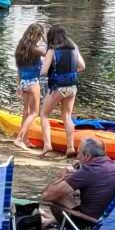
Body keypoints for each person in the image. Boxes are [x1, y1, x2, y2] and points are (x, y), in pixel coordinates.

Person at [41, 138, 115, 226]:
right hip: (114, 223)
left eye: (79, 153)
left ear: (87, 156)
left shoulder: (88, 170)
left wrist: (64, 177)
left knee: (56, 197)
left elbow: (46, 195)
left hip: (91, 224)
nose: (77, 157)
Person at [40, 25, 86, 157]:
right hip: (72, 87)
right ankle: (70, 147)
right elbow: (82, 66)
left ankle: (47, 145)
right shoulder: (74, 47)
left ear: (51, 37)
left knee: (44, 114)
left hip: (58, 87)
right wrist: (69, 72)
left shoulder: (52, 50)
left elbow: (43, 71)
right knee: (66, 116)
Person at [13, 23, 46, 150]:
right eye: (40, 35)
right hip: (33, 82)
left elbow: (19, 69)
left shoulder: (21, 48)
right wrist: (46, 39)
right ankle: (20, 138)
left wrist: (18, 86)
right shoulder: (35, 49)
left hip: (24, 83)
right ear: (37, 35)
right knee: (34, 112)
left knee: (26, 112)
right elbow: (48, 52)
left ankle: (25, 139)